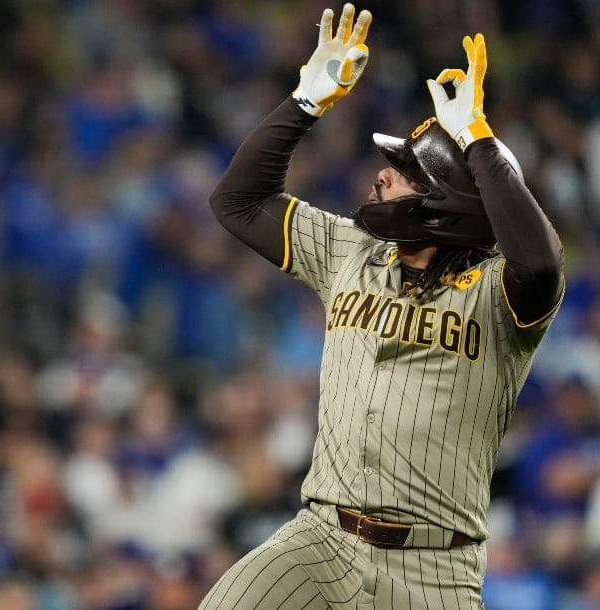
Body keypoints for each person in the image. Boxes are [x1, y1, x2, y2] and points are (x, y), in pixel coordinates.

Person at [200, 4, 564, 608]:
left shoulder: (501, 296)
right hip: (320, 542)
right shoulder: (355, 252)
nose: (381, 177)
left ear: (450, 201)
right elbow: (236, 201)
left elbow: (543, 264)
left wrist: (478, 140)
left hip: (435, 568)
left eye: (403, 173)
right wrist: (305, 102)